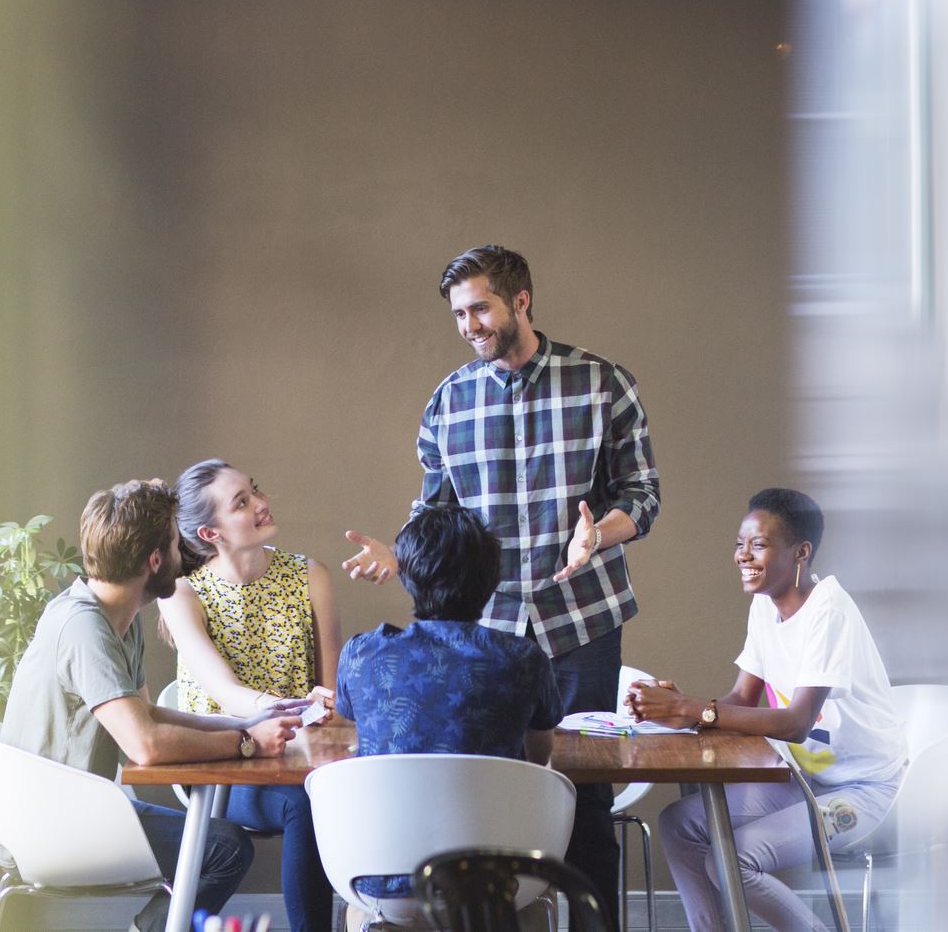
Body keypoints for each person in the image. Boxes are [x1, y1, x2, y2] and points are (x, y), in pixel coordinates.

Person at [342, 243, 660, 929]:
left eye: (480, 309)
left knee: (587, 799)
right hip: (485, 631)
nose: (469, 325)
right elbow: (434, 511)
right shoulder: (448, 401)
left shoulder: (602, 382)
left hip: (582, 621)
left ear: (521, 300)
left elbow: (643, 494)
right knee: (485, 798)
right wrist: (398, 552)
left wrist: (599, 534)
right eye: (459, 314)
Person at [0, 479, 305, 932]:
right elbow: (145, 746)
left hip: (82, 807)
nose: (185, 553)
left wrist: (245, 723)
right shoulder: (84, 628)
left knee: (220, 843)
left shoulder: (119, 616)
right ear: (155, 561)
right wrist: (247, 744)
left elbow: (150, 715)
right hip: (49, 827)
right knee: (224, 849)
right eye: (177, 544)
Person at [629, 488, 906, 932]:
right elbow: (742, 699)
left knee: (733, 860)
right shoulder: (764, 605)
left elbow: (796, 723)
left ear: (801, 552)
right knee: (679, 825)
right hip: (805, 779)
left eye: (757, 545)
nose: (743, 555)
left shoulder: (828, 611)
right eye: (740, 544)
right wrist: (678, 712)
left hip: (863, 790)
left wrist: (693, 709)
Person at [332, 503, 564, 916]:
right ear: (492, 581)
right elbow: (540, 756)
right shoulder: (525, 659)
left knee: (358, 913)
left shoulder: (361, 655)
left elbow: (354, 724)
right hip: (497, 883)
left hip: (382, 882)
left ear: (406, 575)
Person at [156, 459, 342, 932]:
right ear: (211, 533)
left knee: (334, 790)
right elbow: (224, 692)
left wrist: (326, 706)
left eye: (254, 491)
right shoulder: (182, 594)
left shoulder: (310, 576)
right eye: (242, 502)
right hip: (220, 765)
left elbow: (333, 691)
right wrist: (286, 710)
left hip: (298, 760)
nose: (261, 503)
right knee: (304, 803)